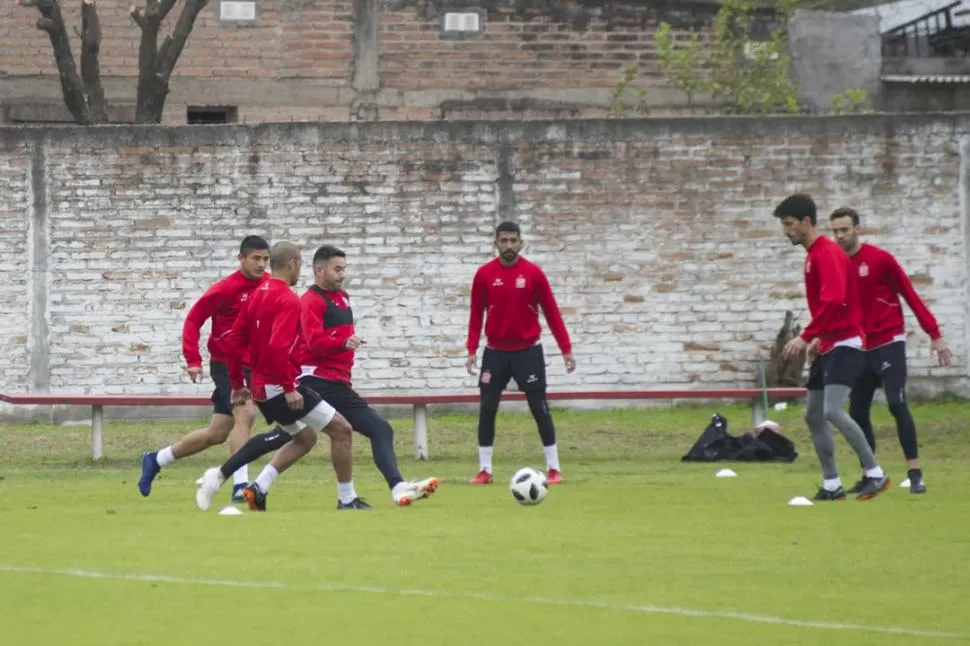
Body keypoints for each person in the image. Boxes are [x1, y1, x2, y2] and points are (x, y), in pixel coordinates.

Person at [194, 241, 369, 512]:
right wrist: (289, 387)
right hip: (279, 385)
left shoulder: (256, 294)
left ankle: (248, 486)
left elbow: (233, 342)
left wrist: (239, 384)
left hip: (260, 385)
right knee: (342, 429)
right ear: (292, 264)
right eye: (299, 264)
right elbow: (278, 347)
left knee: (305, 437)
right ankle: (347, 499)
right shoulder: (287, 299)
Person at [138, 235, 283, 503]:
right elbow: (194, 319)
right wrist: (193, 359)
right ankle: (240, 485)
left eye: (265, 259)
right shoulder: (226, 288)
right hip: (226, 364)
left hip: (255, 366)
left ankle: (156, 458)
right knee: (246, 413)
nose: (262, 264)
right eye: (256, 259)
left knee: (216, 433)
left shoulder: (268, 286)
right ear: (241, 259)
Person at [294, 244, 439, 506]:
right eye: (337, 269)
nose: (342, 274)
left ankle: (396, 488)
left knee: (380, 430)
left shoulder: (343, 298)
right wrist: (342, 342)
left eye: (344, 269)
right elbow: (314, 342)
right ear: (319, 270)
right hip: (317, 383)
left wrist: (344, 344)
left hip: (338, 384)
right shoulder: (310, 301)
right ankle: (238, 478)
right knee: (295, 437)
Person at [774, 194, 891, 501]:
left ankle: (875, 474)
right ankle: (832, 485)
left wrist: (805, 335)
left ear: (806, 222)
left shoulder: (826, 252)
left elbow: (835, 301)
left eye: (788, 224)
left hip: (846, 343)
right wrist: (817, 337)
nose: (786, 231)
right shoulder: (814, 254)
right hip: (829, 343)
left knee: (833, 411)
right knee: (813, 415)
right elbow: (833, 306)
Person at [830, 207, 953, 495]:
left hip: (889, 342)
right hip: (858, 347)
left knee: (897, 404)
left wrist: (934, 334)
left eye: (845, 230)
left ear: (857, 229)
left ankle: (915, 472)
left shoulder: (880, 260)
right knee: (857, 411)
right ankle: (870, 473)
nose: (840, 236)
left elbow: (909, 294)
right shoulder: (835, 263)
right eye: (835, 230)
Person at [465, 221, 576, 485]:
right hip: (495, 353)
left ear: (521, 243)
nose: (509, 246)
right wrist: (471, 349)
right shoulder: (484, 274)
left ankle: (554, 468)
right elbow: (475, 314)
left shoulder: (534, 274)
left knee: (539, 408)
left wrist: (566, 349)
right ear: (496, 243)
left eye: (513, 241)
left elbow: (552, 312)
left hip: (528, 352)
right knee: (487, 410)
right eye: (503, 241)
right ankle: (485, 470)